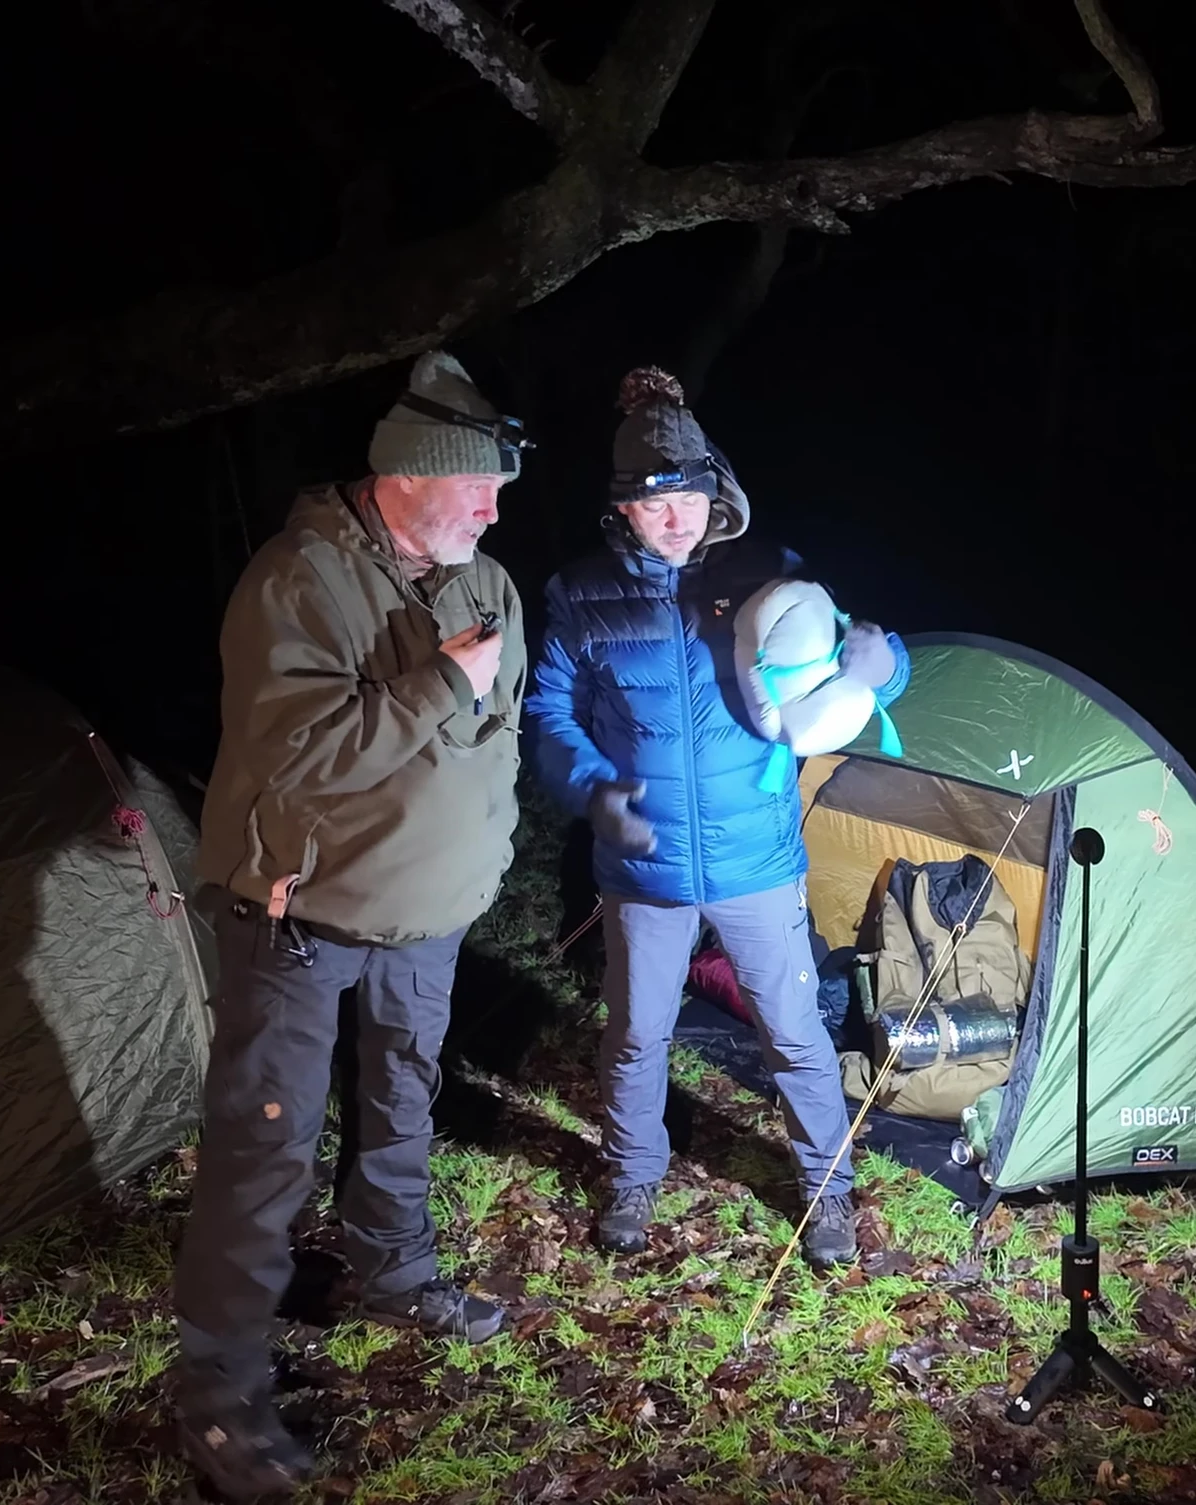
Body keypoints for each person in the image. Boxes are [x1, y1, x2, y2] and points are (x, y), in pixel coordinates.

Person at [171, 351, 530, 1499]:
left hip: (424, 917)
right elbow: (302, 759)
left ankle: (395, 1268)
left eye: (499, 489)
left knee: (401, 1098)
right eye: (474, 486)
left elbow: (499, 733)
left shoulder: (488, 586)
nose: (491, 506)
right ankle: (218, 1390)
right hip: (299, 915)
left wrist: (491, 846)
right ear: (404, 478)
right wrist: (439, 685)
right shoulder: (297, 582)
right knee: (265, 1142)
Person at [523, 366, 909, 1268]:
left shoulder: (770, 576)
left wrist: (884, 665)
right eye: (652, 504)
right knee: (635, 1035)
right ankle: (630, 1178)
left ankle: (829, 1193)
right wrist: (590, 789)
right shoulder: (580, 594)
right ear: (621, 509)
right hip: (642, 863)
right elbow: (547, 712)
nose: (675, 518)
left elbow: (849, 664)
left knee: (794, 1030)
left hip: (756, 856)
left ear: (714, 489)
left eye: (687, 496)